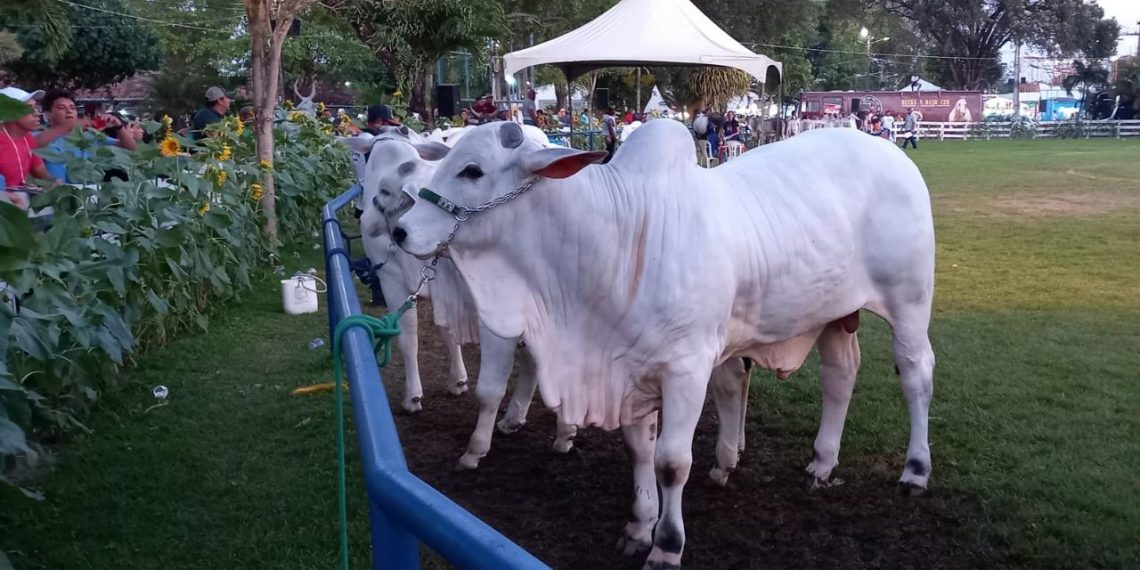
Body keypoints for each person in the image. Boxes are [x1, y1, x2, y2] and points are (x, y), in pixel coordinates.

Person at [34, 90, 140, 183]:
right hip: (58, 195)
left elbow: (130, 147)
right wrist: (71, 125)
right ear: (47, 114)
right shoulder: (41, 137)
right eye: (62, 108)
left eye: (72, 107)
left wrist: (118, 126)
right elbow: (32, 144)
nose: (69, 111)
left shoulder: (90, 135)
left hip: (87, 195)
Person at [0, 86, 53, 208]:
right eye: (29, 108)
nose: (37, 113)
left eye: (35, 107)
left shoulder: (27, 137)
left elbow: (42, 174)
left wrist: (56, 185)